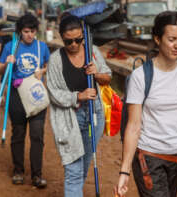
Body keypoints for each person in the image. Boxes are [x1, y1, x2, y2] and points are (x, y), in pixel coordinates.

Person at [115, 11, 177, 197]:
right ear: (157, 39)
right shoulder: (141, 77)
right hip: (149, 156)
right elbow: (133, 126)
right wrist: (124, 171)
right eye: (171, 39)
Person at [46, 15, 112, 197]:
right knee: (73, 170)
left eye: (78, 39)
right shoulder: (55, 60)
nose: (74, 45)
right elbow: (54, 93)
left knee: (83, 165)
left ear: (83, 35)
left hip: (94, 115)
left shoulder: (93, 51)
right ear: (62, 38)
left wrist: (97, 74)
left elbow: (108, 77)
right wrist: (79, 96)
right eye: (69, 41)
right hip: (69, 119)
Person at [0, 13, 50, 188]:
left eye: (32, 31)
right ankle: (18, 171)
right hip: (16, 96)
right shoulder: (10, 47)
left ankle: (37, 175)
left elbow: (49, 66)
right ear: (20, 31)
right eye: (26, 31)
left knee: (37, 136)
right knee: (18, 134)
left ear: (36, 31)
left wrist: (42, 71)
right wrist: (7, 63)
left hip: (36, 95)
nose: (29, 35)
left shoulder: (42, 47)